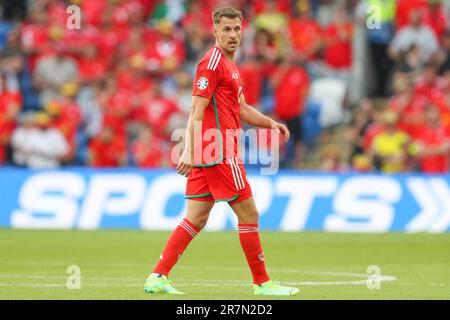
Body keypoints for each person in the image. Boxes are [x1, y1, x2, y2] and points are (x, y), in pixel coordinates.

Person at [144, 7, 299, 296]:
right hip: (219, 150)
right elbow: (196, 109)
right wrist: (189, 151)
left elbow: (239, 108)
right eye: (226, 29)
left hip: (210, 152)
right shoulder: (212, 63)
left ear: (243, 30)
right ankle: (263, 283)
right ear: (214, 30)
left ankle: (157, 277)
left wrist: (269, 123)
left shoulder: (230, 65)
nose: (232, 35)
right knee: (249, 213)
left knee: (196, 218)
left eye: (237, 29)